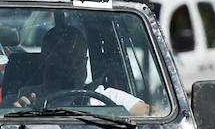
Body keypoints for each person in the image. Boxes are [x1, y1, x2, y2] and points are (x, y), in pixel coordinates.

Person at [12, 21, 149, 115]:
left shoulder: (106, 97)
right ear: (44, 61)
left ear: (86, 62)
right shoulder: (21, 98)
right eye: (64, 60)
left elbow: (152, 115)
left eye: (79, 62)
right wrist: (13, 116)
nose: (72, 68)